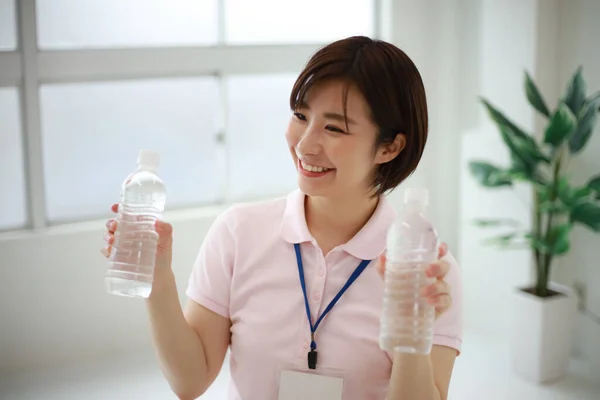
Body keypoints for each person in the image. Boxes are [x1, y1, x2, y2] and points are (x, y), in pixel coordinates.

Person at [102, 36, 462, 400]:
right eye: (301, 116)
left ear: (390, 147)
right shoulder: (239, 232)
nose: (305, 145)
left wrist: (410, 331)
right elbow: (189, 381)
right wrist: (158, 280)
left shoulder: (426, 273)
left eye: (334, 128)